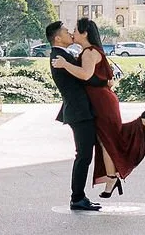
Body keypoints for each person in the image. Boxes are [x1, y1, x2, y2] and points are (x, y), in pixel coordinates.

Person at [50, 17, 145, 199]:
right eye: (68, 31)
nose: (72, 33)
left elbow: (86, 75)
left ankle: (142, 123)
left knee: (110, 139)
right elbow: (95, 77)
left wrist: (65, 64)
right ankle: (111, 178)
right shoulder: (89, 51)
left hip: (101, 103)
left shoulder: (88, 53)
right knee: (107, 140)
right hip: (100, 101)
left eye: (75, 30)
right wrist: (104, 82)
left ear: (85, 33)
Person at [47, 21, 101, 212]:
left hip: (79, 110)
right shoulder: (59, 57)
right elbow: (84, 76)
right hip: (79, 111)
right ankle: (77, 198)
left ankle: (79, 196)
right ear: (57, 38)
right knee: (83, 155)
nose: (70, 33)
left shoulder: (63, 55)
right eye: (65, 31)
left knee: (84, 155)